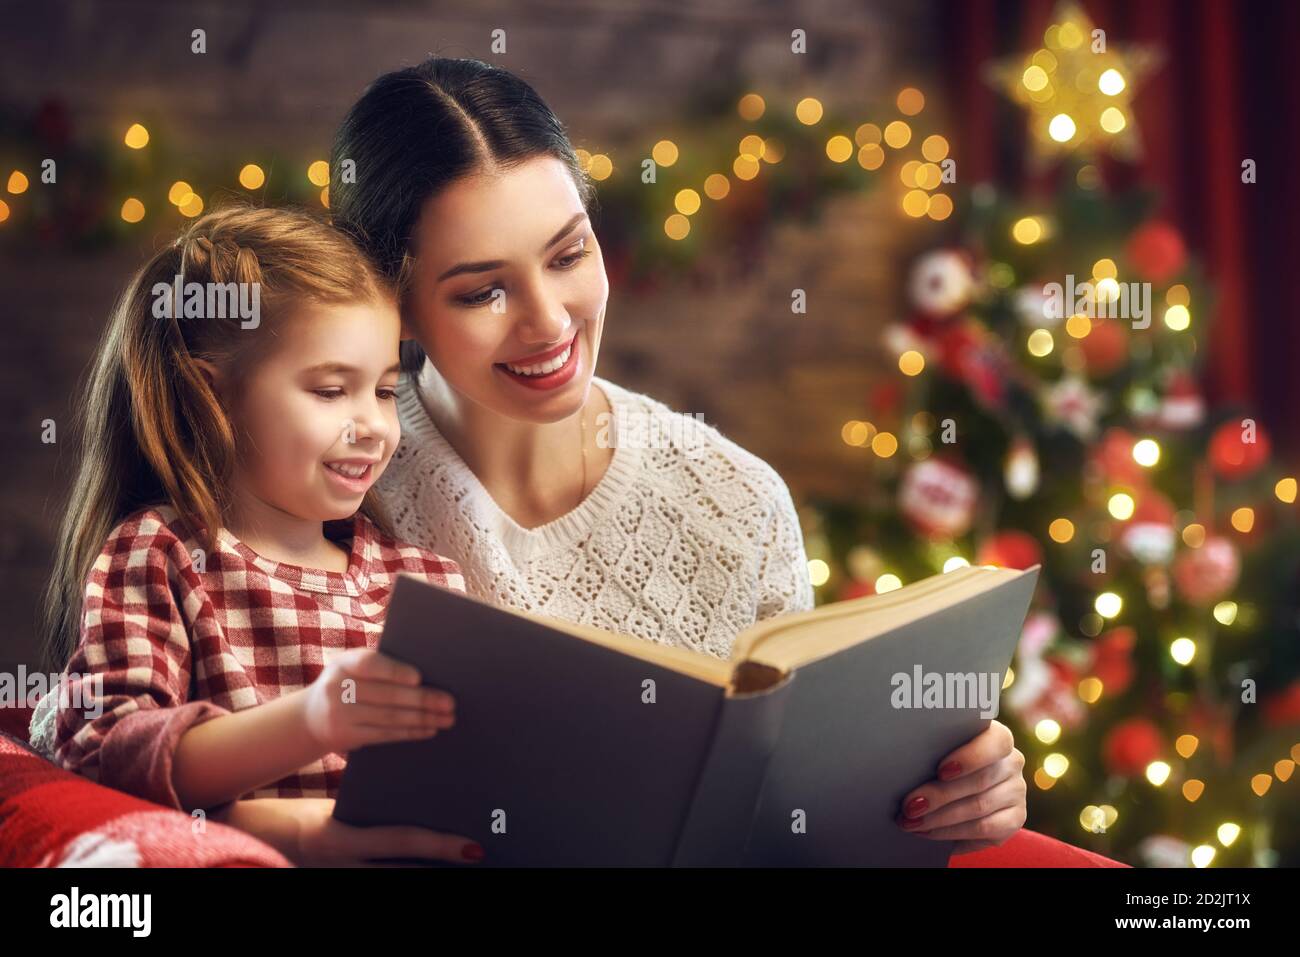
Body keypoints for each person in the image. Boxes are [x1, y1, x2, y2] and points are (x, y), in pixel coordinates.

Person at [327, 56, 1028, 856]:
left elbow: (806, 803)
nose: (550, 323)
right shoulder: (333, 481)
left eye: (567, 255)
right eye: (484, 291)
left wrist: (961, 783)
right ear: (396, 304)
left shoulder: (736, 500)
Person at [31, 204, 486, 866]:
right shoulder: (159, 556)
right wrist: (311, 725)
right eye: (331, 390)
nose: (373, 425)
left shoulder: (423, 583)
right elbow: (107, 755)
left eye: (385, 390)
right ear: (212, 398)